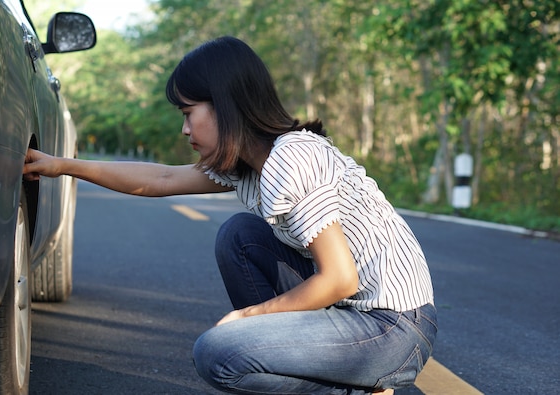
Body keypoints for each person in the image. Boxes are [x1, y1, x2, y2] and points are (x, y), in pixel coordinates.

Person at [24, 36, 437, 395]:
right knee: (241, 236)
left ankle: (360, 388)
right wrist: (63, 165)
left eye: (188, 113)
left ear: (226, 105)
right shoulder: (249, 165)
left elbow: (339, 278)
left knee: (219, 353)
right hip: (358, 316)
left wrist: (248, 317)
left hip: (393, 327)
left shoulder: (291, 157)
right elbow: (161, 178)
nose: (184, 130)